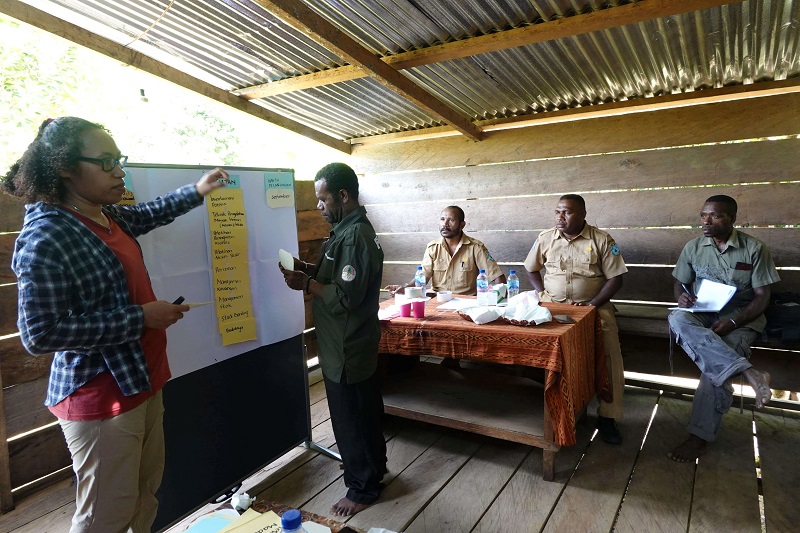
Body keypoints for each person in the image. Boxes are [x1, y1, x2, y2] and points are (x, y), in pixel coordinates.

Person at [1, 116, 229, 532]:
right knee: (104, 517)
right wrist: (140, 318)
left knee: (144, 498)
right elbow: (40, 334)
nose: (119, 171)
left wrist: (198, 191)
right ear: (65, 167)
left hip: (141, 380)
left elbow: (149, 214)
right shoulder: (46, 237)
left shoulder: (107, 217)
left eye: (118, 160)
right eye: (106, 162)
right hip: (101, 398)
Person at [279, 162, 386, 517]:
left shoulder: (354, 236)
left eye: (323, 200)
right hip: (347, 345)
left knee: (350, 418)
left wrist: (306, 285)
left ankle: (361, 489)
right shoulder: (345, 231)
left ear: (343, 195)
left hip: (346, 347)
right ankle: (372, 468)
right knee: (364, 411)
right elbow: (336, 276)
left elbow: (345, 297)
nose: (319, 207)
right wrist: (308, 269)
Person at [667, 194, 778, 463]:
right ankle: (750, 373)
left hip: (741, 318)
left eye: (715, 216)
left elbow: (762, 296)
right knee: (677, 318)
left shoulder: (754, 249)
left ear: (732, 219)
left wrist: (733, 322)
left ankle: (699, 437)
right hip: (703, 314)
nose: (706, 221)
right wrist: (682, 297)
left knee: (713, 368)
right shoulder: (693, 247)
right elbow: (680, 284)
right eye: (703, 215)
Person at [523, 194, 627, 444]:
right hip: (552, 309)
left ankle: (607, 417)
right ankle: (550, 409)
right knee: (540, 352)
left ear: (582, 215)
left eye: (567, 212)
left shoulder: (601, 239)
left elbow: (616, 278)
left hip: (594, 309)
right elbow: (531, 268)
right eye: (557, 212)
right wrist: (541, 294)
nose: (560, 217)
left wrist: (592, 306)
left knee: (609, 356)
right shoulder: (545, 238)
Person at [384, 205, 506, 296]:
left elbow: (498, 277)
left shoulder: (475, 247)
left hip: (466, 302)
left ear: (462, 225)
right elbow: (421, 279)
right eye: (442, 219)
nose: (445, 224)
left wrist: (498, 301)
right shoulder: (433, 248)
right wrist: (404, 288)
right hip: (437, 301)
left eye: (451, 220)